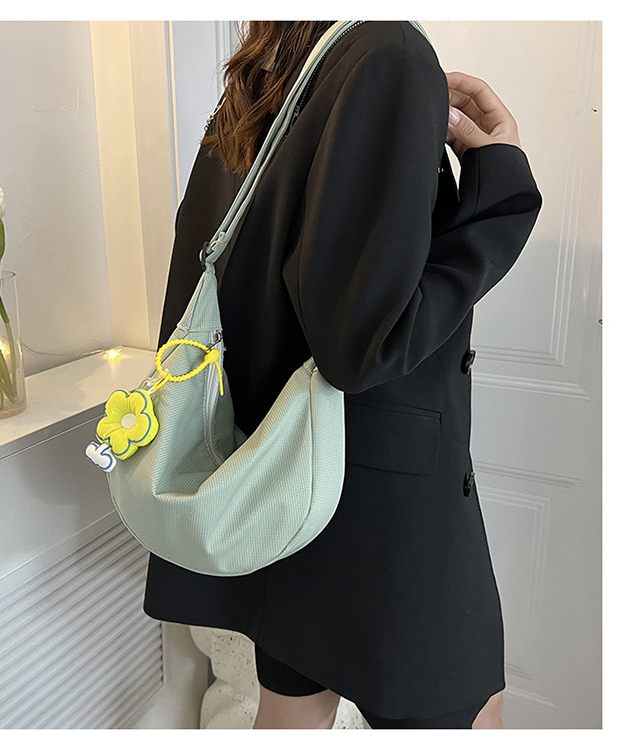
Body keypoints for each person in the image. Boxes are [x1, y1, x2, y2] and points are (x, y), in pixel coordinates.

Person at [143, 20, 542, 730]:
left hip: (284, 482)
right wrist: (501, 190)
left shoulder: (267, 71)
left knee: (291, 713)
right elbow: (363, 345)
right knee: (468, 713)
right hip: (384, 509)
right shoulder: (390, 55)